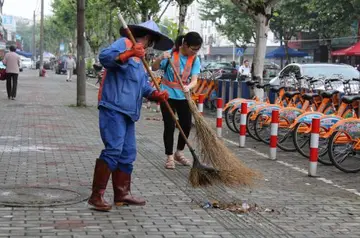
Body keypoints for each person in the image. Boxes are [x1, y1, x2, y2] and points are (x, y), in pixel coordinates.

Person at [87, 20, 173, 212]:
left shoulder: (142, 60)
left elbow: (142, 85)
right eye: (151, 42)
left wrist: (154, 94)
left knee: (127, 153)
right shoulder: (125, 44)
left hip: (129, 112)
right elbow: (105, 57)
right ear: (149, 38)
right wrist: (129, 53)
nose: (150, 46)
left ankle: (122, 194)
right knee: (114, 150)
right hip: (113, 107)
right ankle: (96, 196)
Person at [152, 32, 203, 170]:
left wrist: (188, 87)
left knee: (186, 125)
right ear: (185, 44)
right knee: (169, 125)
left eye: (197, 49)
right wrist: (161, 57)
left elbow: (194, 80)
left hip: (183, 96)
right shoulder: (170, 54)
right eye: (193, 48)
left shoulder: (195, 59)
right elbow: (154, 68)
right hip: (167, 95)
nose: (195, 52)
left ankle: (179, 153)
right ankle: (169, 156)